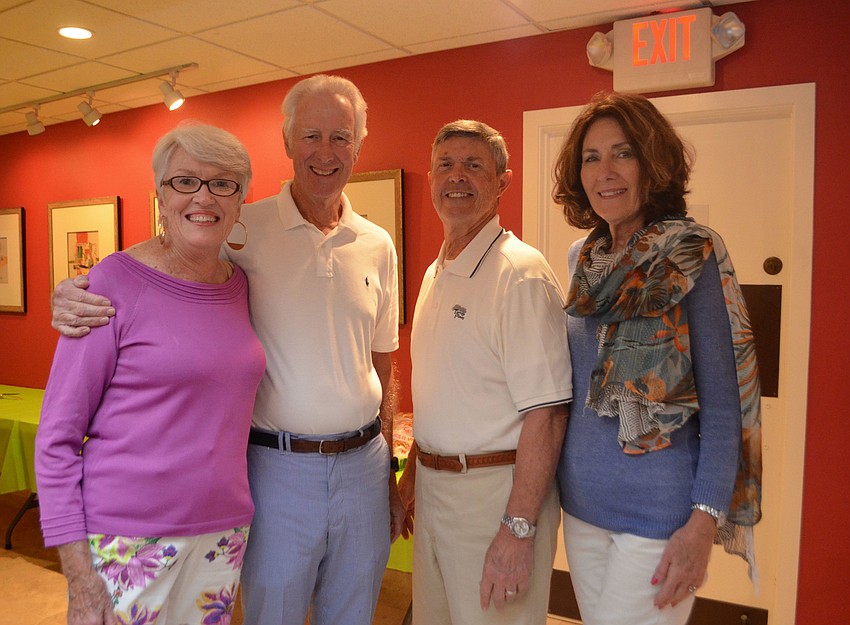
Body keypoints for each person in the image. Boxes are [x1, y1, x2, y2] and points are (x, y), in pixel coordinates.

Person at [50, 74, 407, 625]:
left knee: (353, 612)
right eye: (311, 135)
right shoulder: (244, 232)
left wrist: (387, 468)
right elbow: (160, 271)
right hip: (272, 468)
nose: (326, 152)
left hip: (344, 470)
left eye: (342, 137)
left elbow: (383, 357)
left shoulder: (374, 245)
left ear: (359, 145)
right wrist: (74, 292)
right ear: (287, 143)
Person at [36, 123, 266, 625]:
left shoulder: (241, 286)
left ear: (240, 201)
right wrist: (79, 576)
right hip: (125, 538)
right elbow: (55, 440)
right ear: (160, 196)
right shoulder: (110, 284)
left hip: (222, 531)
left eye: (223, 183)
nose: (203, 197)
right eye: (185, 181)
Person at [551, 91, 763, 625]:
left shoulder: (693, 252)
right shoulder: (584, 259)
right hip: (580, 507)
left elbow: (723, 405)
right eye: (591, 158)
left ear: (654, 161)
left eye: (623, 153)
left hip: (660, 515)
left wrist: (704, 521)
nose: (606, 172)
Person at [398, 120, 572, 625]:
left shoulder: (519, 274)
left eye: (475, 165)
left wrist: (517, 528)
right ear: (431, 176)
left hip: (494, 494)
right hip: (435, 490)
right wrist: (412, 478)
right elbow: (449, 390)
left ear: (503, 181)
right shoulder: (437, 272)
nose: (457, 176)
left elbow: (549, 413)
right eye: (446, 164)